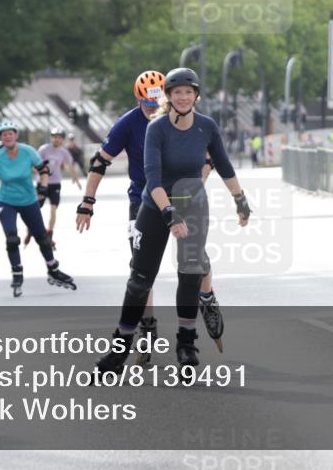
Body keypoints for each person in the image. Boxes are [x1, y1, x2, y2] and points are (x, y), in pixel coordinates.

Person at [95, 68, 251, 376]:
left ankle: (186, 343)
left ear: (196, 96)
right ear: (168, 96)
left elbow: (223, 165)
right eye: (176, 92)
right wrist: (169, 214)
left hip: (192, 204)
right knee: (140, 281)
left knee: (190, 273)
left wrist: (240, 200)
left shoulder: (206, 127)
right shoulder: (157, 128)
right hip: (155, 207)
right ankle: (121, 346)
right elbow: (152, 178)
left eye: (188, 92)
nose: (182, 97)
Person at [76, 70, 224, 360]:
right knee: (140, 270)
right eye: (146, 105)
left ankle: (206, 298)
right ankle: (147, 325)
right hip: (143, 202)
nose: (152, 110)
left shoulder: (190, 121)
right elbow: (99, 162)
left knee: (195, 259)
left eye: (157, 103)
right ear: (138, 100)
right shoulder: (129, 123)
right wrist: (87, 202)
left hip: (182, 197)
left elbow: (210, 161)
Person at [0, 120, 76, 297]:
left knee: (42, 237)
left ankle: (53, 270)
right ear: (1, 138)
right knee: (12, 239)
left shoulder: (28, 151)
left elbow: (43, 170)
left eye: (10, 133)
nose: (7, 137)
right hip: (6, 201)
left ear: (16, 135)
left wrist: (43, 188)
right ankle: (17, 274)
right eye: (4, 134)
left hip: (29, 200)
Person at [34, 127, 82, 249]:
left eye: (60, 138)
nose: (57, 140)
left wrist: (76, 180)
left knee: (53, 209)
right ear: (52, 138)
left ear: (63, 140)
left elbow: (70, 166)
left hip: (55, 183)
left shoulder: (64, 152)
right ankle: (37, 230)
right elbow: (35, 163)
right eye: (55, 137)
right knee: (35, 209)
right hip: (42, 183)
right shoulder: (44, 149)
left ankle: (49, 234)